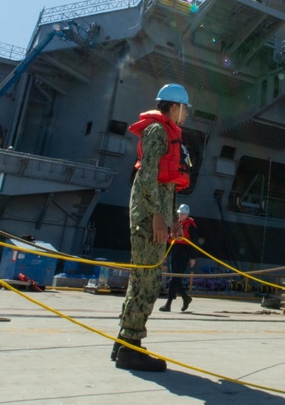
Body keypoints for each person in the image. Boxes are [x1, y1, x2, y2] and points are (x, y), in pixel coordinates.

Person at [111, 83, 192, 372]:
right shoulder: (158, 131)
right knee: (147, 282)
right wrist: (159, 216)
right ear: (174, 107)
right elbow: (148, 176)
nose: (186, 115)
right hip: (148, 217)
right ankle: (132, 347)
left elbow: (167, 182)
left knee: (142, 279)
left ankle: (123, 343)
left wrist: (173, 221)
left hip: (156, 214)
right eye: (185, 109)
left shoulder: (167, 132)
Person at [160, 204, 197, 312]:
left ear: (187, 215)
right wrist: (165, 255)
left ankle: (168, 304)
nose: (180, 215)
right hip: (175, 251)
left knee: (174, 279)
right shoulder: (176, 225)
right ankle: (186, 298)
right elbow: (169, 240)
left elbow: (193, 242)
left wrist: (193, 257)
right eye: (180, 213)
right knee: (175, 278)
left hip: (184, 253)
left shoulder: (191, 226)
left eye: (183, 214)